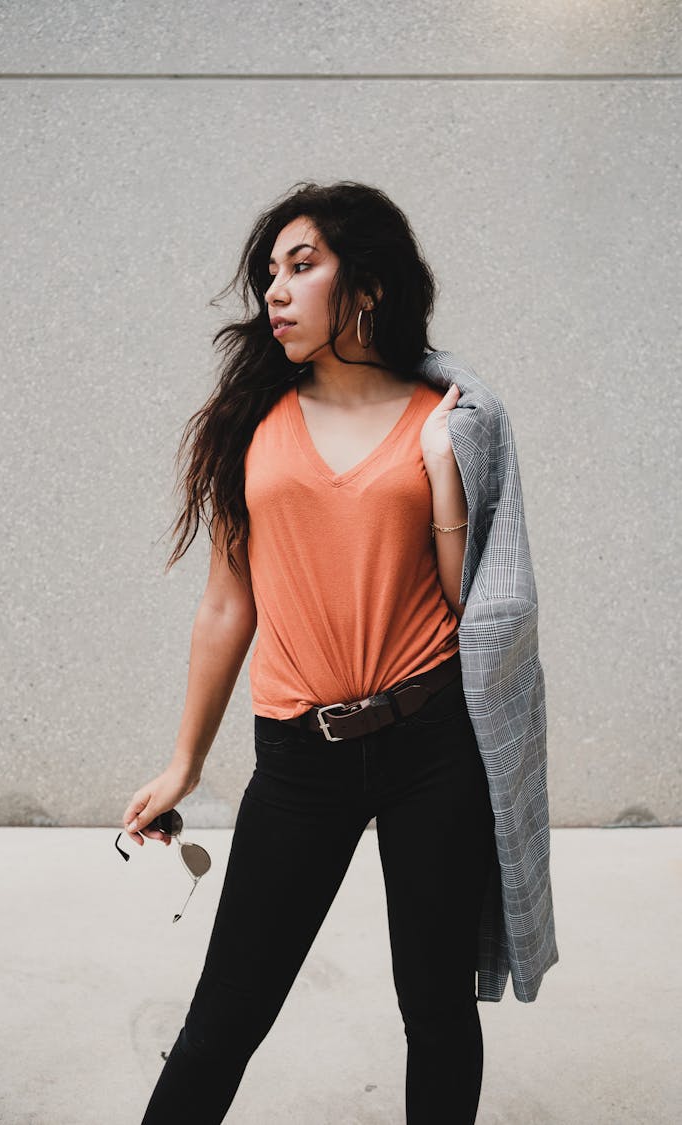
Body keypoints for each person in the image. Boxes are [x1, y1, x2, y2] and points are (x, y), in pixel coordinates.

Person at [121, 180, 558, 1125]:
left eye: (302, 266)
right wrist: (183, 762)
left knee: (437, 1012)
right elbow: (226, 603)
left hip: (432, 745)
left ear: (366, 283)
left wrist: (443, 468)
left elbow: (469, 605)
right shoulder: (253, 423)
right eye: (270, 272)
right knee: (224, 1019)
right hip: (296, 755)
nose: (275, 290)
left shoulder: (455, 417)